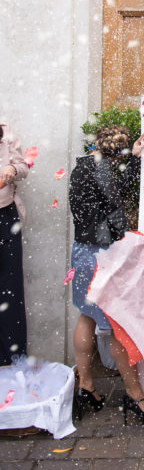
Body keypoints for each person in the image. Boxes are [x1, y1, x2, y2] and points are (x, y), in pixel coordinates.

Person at [68, 126, 144, 424]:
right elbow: (120, 195)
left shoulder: (81, 166)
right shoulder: (103, 171)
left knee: (86, 315)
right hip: (101, 256)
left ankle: (86, 385)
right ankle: (136, 396)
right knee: (117, 326)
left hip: (81, 252)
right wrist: (135, 162)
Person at [0, 121, 29, 367]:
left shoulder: (5, 129)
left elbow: (23, 166)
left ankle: (11, 360)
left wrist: (11, 168)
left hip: (4, 216)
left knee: (9, 286)